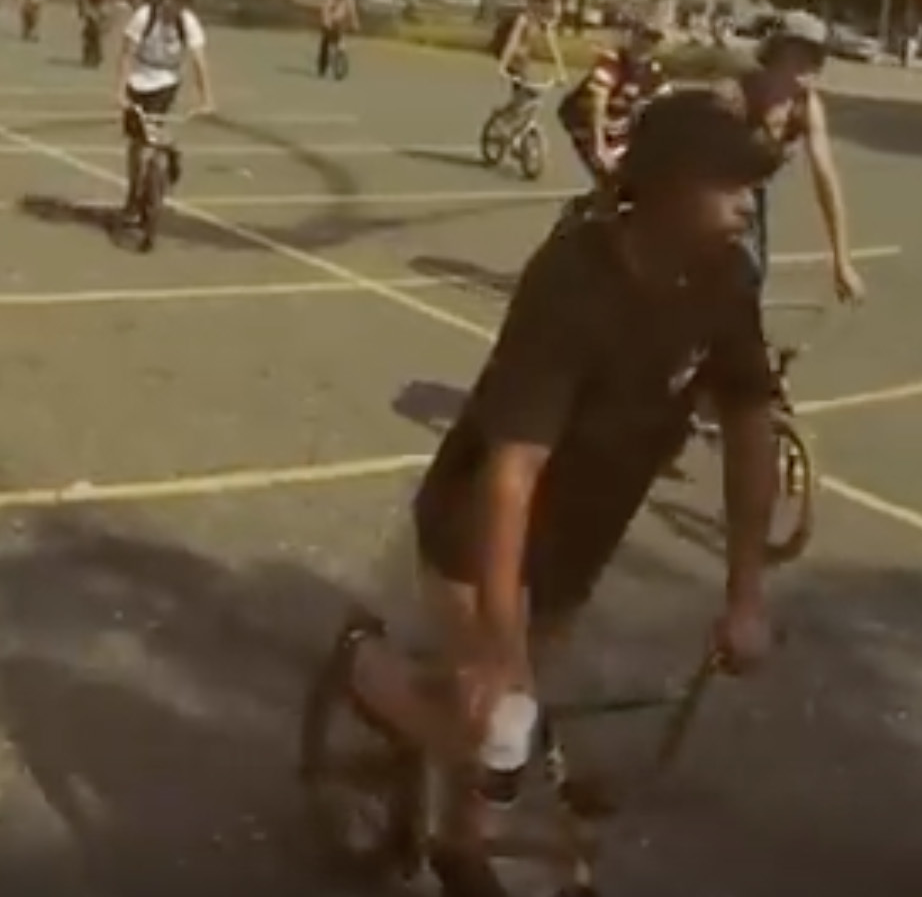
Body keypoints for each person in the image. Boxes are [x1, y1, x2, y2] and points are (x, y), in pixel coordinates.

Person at [329, 89, 780, 896]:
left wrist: (745, 591)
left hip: (581, 539)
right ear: (670, 187)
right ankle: (367, 671)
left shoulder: (726, 279)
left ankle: (460, 846)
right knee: (499, 720)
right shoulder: (573, 282)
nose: (752, 200)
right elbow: (511, 471)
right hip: (479, 527)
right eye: (732, 183)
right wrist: (499, 643)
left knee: (508, 741)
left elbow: (751, 424)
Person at [723, 12, 864, 303]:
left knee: (753, 276)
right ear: (776, 54)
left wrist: (841, 261)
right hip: (706, 184)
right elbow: (694, 160)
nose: (810, 63)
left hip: (751, 192)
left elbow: (826, 180)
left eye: (816, 56)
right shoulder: (737, 96)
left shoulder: (806, 107)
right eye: (800, 51)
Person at [115, 0, 216, 225]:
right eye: (172, 0)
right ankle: (133, 194)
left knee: (153, 135)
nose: (175, 7)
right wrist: (119, 91)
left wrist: (207, 98)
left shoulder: (187, 22)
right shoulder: (144, 17)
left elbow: (198, 60)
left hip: (166, 82)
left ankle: (163, 166)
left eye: (181, 2)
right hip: (138, 80)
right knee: (137, 144)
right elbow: (126, 53)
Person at [560, 18, 668, 206]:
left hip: (618, 128)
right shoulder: (612, 61)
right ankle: (591, 223)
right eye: (644, 37)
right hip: (586, 125)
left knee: (637, 177)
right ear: (633, 36)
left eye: (654, 40)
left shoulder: (653, 71)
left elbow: (668, 107)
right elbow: (597, 104)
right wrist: (599, 147)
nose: (648, 45)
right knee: (610, 179)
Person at [317, 0, 358, 77]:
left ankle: (340, 57)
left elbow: (352, 12)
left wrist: (355, 24)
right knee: (325, 44)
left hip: (340, 23)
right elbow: (325, 10)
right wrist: (326, 22)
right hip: (329, 22)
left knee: (340, 39)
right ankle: (322, 66)